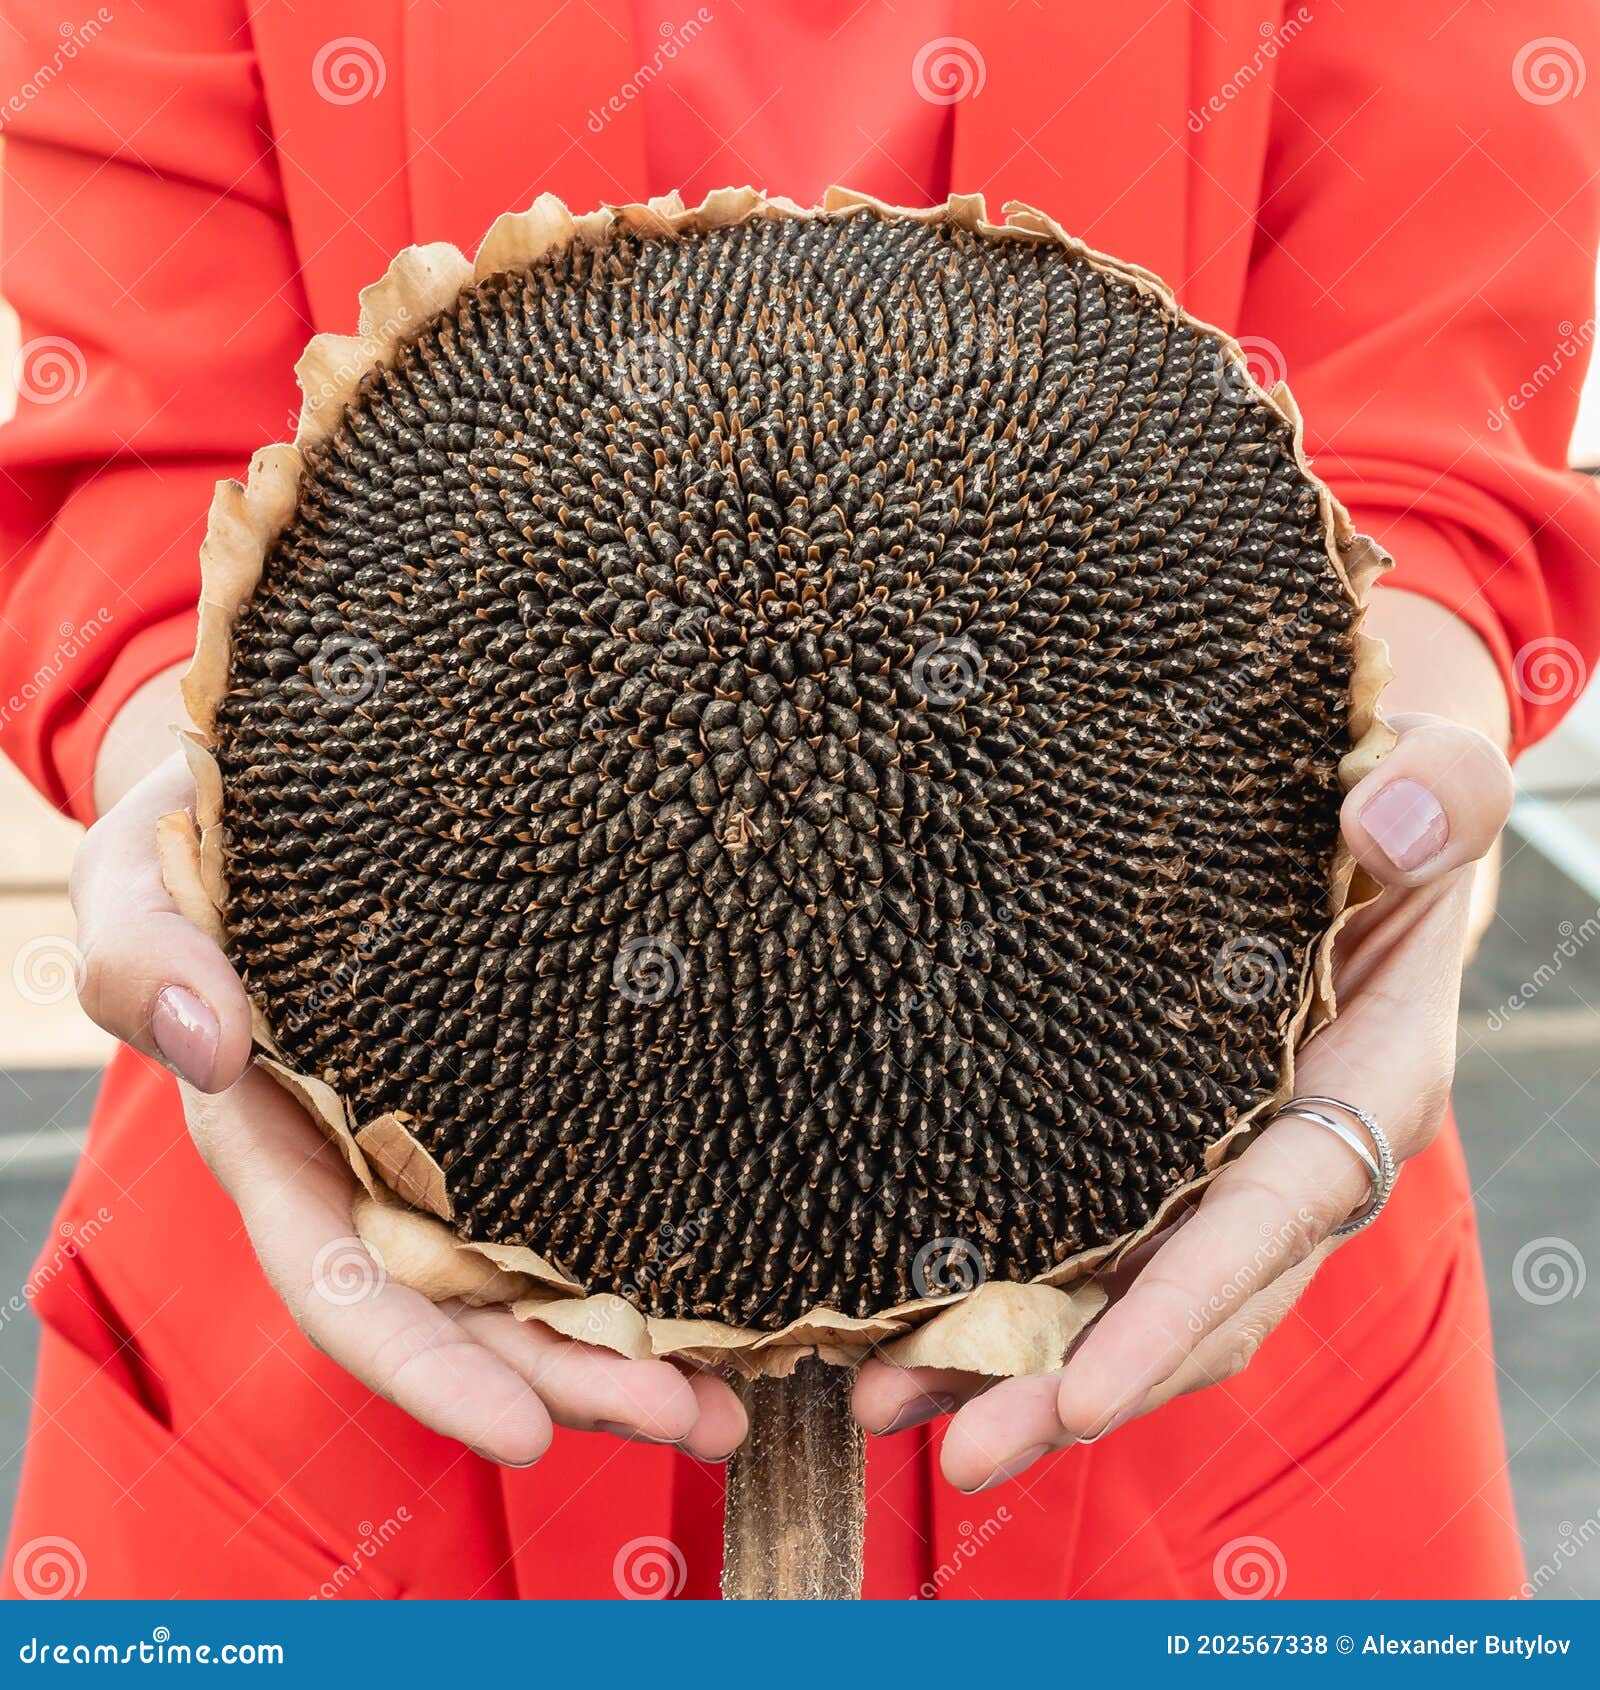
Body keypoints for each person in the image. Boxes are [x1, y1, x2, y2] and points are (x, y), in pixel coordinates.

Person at [2, 0, 1596, 1599]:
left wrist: (1411, 725)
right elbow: (164, 467)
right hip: (324, 1269)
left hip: (1220, 1243)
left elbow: (1425, 388)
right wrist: (175, 762)